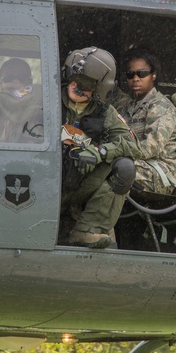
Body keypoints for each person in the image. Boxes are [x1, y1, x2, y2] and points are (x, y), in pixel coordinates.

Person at [60, 46, 139, 249]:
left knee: (124, 168)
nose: (77, 87)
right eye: (75, 80)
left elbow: (131, 145)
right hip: (45, 182)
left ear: (98, 89)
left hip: (79, 184)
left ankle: (88, 230)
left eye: (85, 85)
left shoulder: (105, 113)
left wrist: (99, 152)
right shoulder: (46, 101)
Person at [110, 48, 176, 195]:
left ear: (153, 75)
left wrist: (112, 152)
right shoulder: (127, 106)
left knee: (107, 169)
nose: (136, 78)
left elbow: (151, 147)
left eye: (142, 74)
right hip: (133, 164)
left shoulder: (161, 105)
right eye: (131, 74)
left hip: (157, 173)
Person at [0, 57, 44, 143]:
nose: (15, 82)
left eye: (22, 78)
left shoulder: (39, 111)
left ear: (30, 83)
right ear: (1, 84)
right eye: (8, 78)